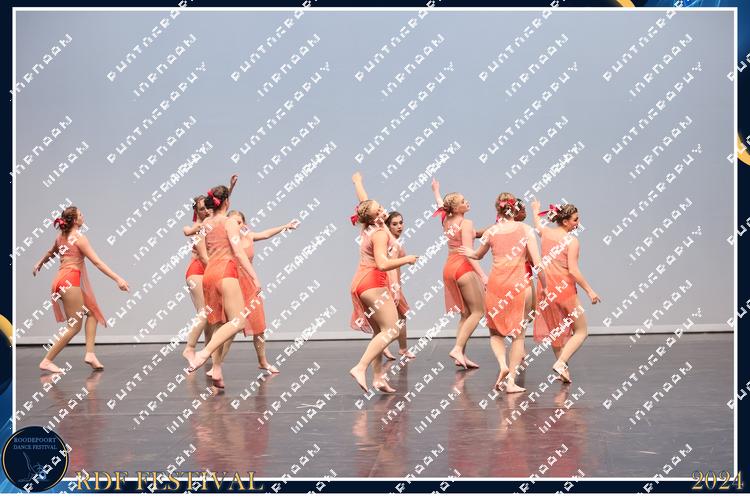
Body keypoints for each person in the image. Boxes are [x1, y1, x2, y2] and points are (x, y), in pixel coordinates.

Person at [33, 206, 129, 373]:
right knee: (74, 327)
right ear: (75, 220)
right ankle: (47, 361)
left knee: (92, 313)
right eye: (80, 215)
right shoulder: (79, 238)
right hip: (70, 280)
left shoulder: (61, 237)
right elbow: (97, 262)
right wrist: (117, 278)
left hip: (60, 280)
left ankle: (90, 354)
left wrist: (39, 263)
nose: (83, 217)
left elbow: (50, 253)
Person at [530, 199, 600, 383]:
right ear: (565, 221)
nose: (578, 223)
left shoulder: (546, 233)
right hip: (564, 289)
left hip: (545, 289)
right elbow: (573, 271)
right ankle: (561, 363)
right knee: (581, 331)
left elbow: (537, 225)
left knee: (556, 332)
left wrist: (535, 210)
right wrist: (590, 291)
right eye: (575, 219)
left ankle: (563, 370)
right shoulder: (572, 241)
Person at [431, 178, 487, 370]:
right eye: (463, 201)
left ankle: (460, 354)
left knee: (465, 314)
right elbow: (469, 252)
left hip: (449, 267)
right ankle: (457, 349)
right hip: (463, 267)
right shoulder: (466, 222)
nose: (467, 202)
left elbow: (441, 205)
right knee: (478, 311)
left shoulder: (446, 219)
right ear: (455, 208)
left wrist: (436, 191)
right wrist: (483, 276)